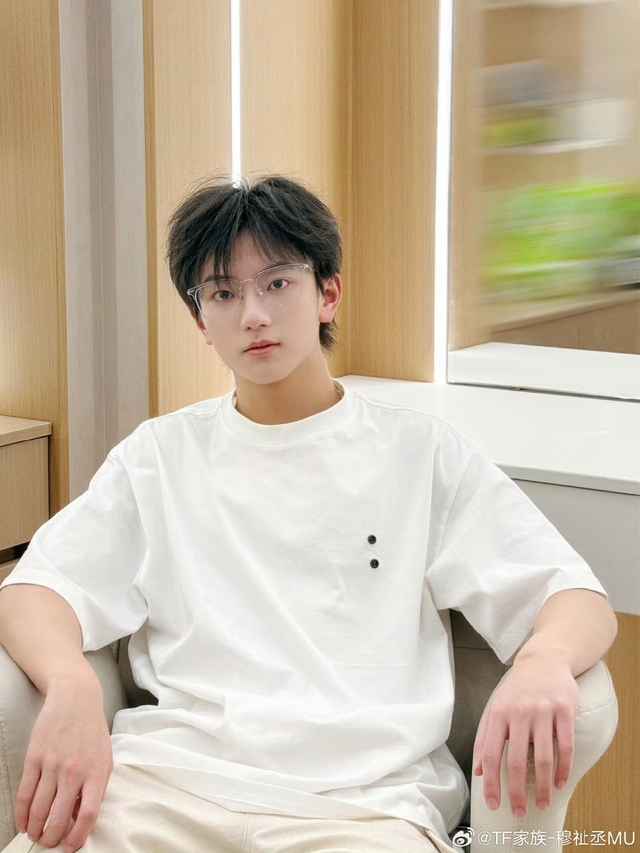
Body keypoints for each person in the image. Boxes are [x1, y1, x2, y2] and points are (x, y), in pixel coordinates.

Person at [0, 175, 617, 853]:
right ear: (201, 322)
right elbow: (37, 589)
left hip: (364, 813)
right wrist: (70, 684)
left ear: (328, 293)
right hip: (162, 790)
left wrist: (543, 659)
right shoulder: (159, 456)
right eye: (222, 293)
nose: (253, 315)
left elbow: (575, 598)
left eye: (277, 283)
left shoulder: (419, 453)